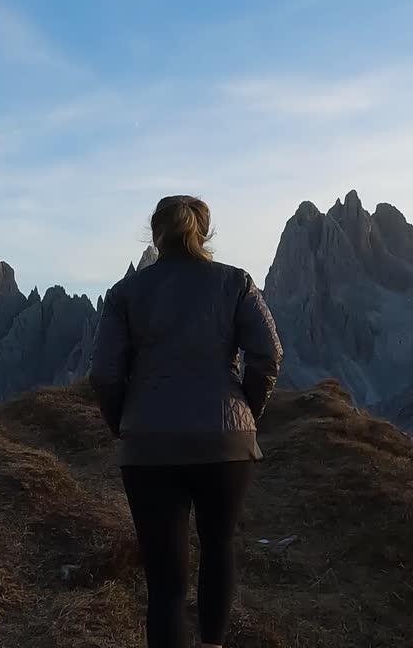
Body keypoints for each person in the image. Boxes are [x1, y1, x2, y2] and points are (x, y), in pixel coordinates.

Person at [89, 195, 284, 648]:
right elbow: (269, 354)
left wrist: (123, 424)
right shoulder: (235, 282)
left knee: (166, 581)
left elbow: (103, 372)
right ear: (204, 232)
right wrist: (245, 412)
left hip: (149, 446)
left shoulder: (125, 293)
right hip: (226, 443)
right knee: (218, 547)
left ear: (155, 236)